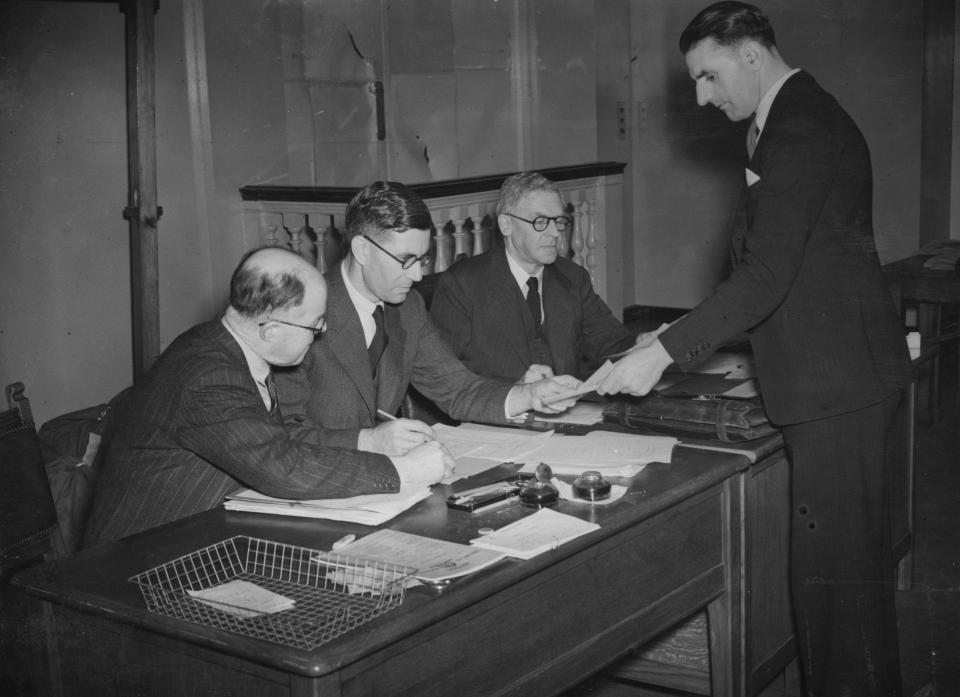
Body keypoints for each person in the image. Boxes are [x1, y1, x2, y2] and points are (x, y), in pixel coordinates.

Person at [596, 3, 911, 696]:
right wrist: (664, 335)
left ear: (750, 53)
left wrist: (664, 355)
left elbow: (767, 274)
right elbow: (785, 269)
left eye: (708, 76)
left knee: (836, 589)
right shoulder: (793, 119)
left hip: (838, 387)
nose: (704, 97)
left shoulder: (798, 128)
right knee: (844, 585)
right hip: (843, 378)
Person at [83, 247, 452, 547]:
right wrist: (405, 471)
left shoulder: (231, 346)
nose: (321, 334)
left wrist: (374, 445)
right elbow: (283, 467)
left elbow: (278, 444)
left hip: (201, 536)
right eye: (316, 325)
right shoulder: (207, 375)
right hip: (139, 564)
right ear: (272, 329)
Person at [275, 181, 578, 456]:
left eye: (422, 260)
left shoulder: (407, 309)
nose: (418, 275)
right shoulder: (299, 313)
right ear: (362, 249)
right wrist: (367, 441)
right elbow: (282, 434)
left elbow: (458, 389)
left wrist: (530, 395)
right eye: (406, 261)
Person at [429, 171, 636, 384]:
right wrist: (517, 391)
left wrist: (647, 345)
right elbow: (445, 377)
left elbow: (613, 344)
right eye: (541, 221)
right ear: (506, 225)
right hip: (497, 414)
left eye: (559, 221)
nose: (556, 233)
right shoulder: (462, 285)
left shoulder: (573, 278)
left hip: (567, 411)